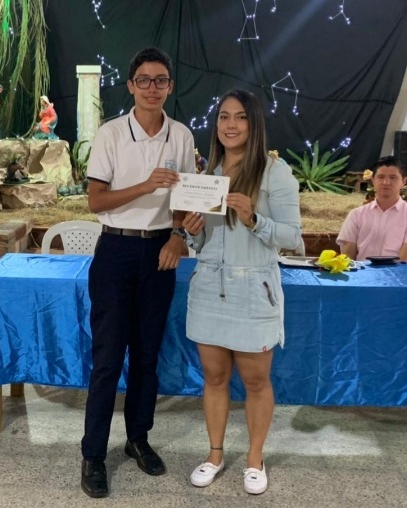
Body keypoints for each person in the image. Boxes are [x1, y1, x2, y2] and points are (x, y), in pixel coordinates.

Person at [80, 47, 195, 498]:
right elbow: (96, 201)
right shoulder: (111, 133)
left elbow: (187, 199)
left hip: (160, 252)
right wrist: (147, 185)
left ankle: (137, 439)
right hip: (116, 251)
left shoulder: (181, 135)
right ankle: (93, 454)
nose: (152, 88)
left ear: (170, 86)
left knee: (148, 356)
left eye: (160, 80)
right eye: (143, 80)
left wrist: (179, 235)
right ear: (130, 86)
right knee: (108, 358)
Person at [183, 89, 302, 495]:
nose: (230, 125)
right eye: (223, 117)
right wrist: (191, 232)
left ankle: (254, 458)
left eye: (240, 117)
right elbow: (203, 242)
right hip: (209, 288)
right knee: (215, 377)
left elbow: (293, 237)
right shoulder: (208, 175)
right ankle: (214, 454)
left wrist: (254, 219)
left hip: (253, 288)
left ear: (254, 124)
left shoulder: (275, 172)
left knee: (255, 380)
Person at [336, 156, 407, 261]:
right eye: (381, 177)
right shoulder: (356, 215)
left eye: (393, 178)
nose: (386, 182)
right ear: (373, 180)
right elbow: (348, 253)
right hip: (363, 270)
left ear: (404, 181)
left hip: (398, 271)